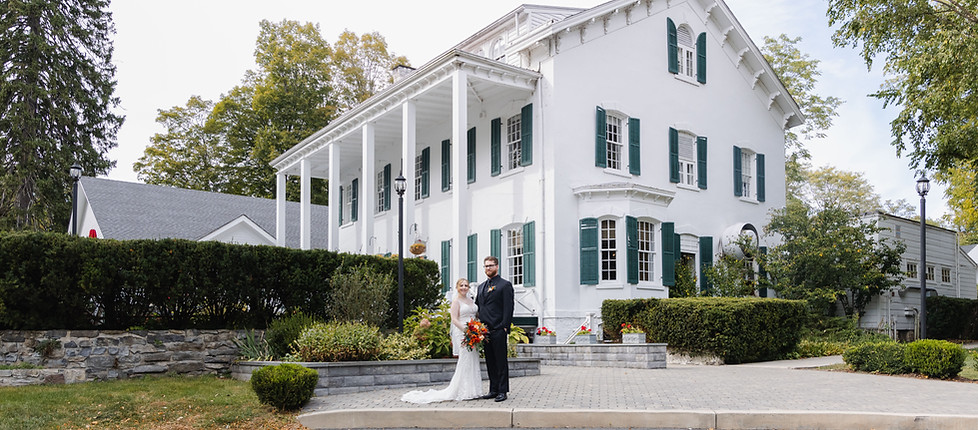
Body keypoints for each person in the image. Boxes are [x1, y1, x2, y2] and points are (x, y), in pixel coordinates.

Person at [400, 278, 483, 403]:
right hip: (463, 332)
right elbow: (454, 320)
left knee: (473, 358)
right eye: (461, 285)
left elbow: (475, 315)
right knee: (465, 359)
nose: (464, 287)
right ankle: (464, 390)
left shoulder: (471, 300)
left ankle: (474, 390)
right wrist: (468, 330)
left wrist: (478, 329)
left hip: (474, 332)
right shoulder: (456, 301)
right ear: (457, 287)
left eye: (466, 285)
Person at [474, 255, 514, 402]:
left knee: (500, 362)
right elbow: (478, 307)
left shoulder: (505, 285)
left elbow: (508, 308)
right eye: (486, 266)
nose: (488, 268)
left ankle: (503, 391)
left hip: (498, 329)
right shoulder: (481, 287)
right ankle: (493, 389)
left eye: (490, 265)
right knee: (490, 361)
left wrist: (504, 327)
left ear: (497, 267)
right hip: (484, 331)